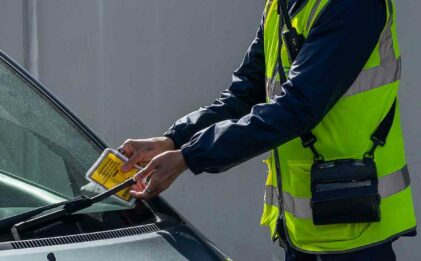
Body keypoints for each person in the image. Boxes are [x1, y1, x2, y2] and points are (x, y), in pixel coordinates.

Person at [118, 0, 416, 260]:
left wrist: (189, 156)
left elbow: (298, 107)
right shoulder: (282, 5)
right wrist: (172, 140)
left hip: (356, 221)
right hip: (303, 231)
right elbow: (243, 95)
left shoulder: (352, 5)